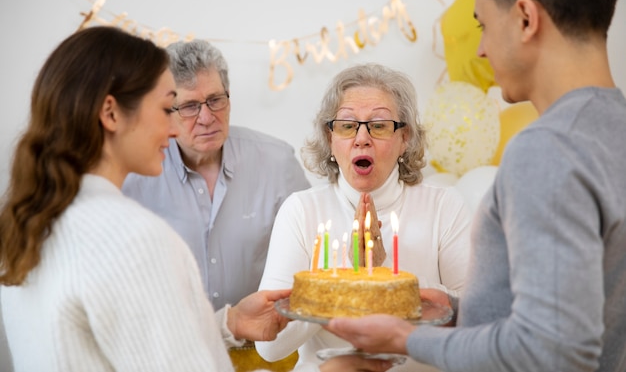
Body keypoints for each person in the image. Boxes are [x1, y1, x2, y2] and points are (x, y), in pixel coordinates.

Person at [0, 26, 392, 372]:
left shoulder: (32, 222)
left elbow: (128, 343)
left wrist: (229, 323)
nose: (174, 127)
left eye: (213, 101)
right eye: (168, 106)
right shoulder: (134, 236)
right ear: (111, 114)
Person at [327, 0, 626, 372]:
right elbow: (577, 311)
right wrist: (458, 311)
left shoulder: (548, 148)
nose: (481, 48)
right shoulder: (614, 129)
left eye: (483, 24)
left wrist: (406, 338)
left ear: (525, 18)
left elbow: (555, 352)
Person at [256, 63, 473, 372]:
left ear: (405, 138)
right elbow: (269, 346)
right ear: (330, 138)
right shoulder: (301, 211)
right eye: (346, 126)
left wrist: (385, 274)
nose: (361, 138)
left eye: (380, 125)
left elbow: (477, 325)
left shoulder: (444, 205)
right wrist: (348, 276)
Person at [122, 39, 310, 311]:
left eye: (215, 100)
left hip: (263, 344)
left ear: (228, 96)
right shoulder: (135, 174)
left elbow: (313, 257)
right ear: (165, 110)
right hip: (173, 343)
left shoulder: (277, 162)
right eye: (189, 106)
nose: (207, 117)